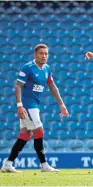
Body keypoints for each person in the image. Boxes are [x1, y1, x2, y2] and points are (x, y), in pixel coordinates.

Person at [1, 44, 70, 173]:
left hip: (35, 105)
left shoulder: (47, 69)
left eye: (46, 54)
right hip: (27, 105)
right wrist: (20, 105)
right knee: (39, 131)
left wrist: (61, 104)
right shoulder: (28, 67)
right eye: (41, 53)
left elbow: (52, 86)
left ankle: (8, 164)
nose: (44, 56)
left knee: (25, 135)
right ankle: (44, 165)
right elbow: (18, 86)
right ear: (35, 55)